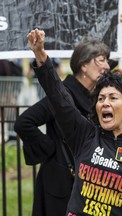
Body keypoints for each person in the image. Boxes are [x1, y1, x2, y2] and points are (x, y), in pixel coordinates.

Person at [25, 28, 122, 215]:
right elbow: (60, 99)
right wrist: (40, 55)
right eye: (100, 99)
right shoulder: (86, 136)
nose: (105, 103)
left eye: (113, 98)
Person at [14, 37, 110, 216]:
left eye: (107, 60)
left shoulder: (96, 97)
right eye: (101, 60)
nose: (107, 66)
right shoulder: (64, 93)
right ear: (83, 65)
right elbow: (24, 122)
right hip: (59, 182)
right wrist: (51, 149)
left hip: (85, 181)